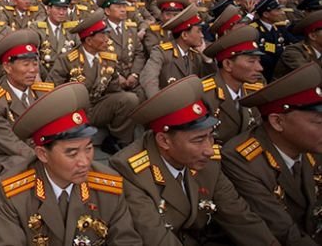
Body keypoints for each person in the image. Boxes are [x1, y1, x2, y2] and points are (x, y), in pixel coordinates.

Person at [110, 75, 280, 246]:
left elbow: (240, 217)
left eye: (210, 137)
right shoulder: (132, 171)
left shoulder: (206, 159)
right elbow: (156, 238)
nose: (208, 149)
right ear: (164, 141)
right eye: (198, 140)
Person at [0, 82, 142, 245]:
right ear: (42, 154)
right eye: (72, 153)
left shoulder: (109, 185)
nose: (84, 162)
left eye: (88, 148)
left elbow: (126, 240)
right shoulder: (15, 193)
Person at [222, 63, 322, 245]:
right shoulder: (242, 160)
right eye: (318, 122)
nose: (259, 67)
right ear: (277, 122)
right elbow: (283, 231)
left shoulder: (312, 145)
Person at [48, 11, 139, 154]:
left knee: (129, 99)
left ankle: (119, 140)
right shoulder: (67, 59)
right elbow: (52, 90)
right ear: (89, 40)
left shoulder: (108, 58)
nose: (107, 40)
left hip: (96, 108)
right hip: (72, 111)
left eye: (107, 35)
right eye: (103, 35)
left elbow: (114, 90)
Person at [0, 30, 53, 188]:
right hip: (4, 156)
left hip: (40, 151)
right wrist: (47, 160)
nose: (33, 70)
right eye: (26, 64)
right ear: (7, 67)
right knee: (22, 166)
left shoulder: (43, 93)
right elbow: (11, 143)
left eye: (35, 63)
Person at [200, 25, 265, 144]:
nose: (259, 68)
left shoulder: (255, 92)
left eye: (258, 61)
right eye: (251, 61)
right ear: (228, 64)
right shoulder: (205, 95)